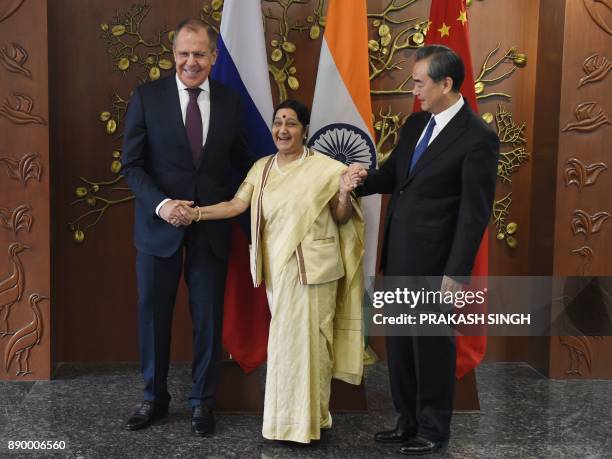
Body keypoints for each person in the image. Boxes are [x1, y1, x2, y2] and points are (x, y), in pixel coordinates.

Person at [347, 45, 499, 455]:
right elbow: (396, 175)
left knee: (430, 346)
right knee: (399, 345)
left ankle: (433, 429)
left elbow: (474, 213)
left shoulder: (478, 138)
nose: (413, 89)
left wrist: (457, 271)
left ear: (446, 83)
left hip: (437, 265)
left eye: (419, 82)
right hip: (399, 255)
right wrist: (360, 181)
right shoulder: (416, 123)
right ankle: (406, 422)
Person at [189, 99, 365, 444]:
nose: (282, 130)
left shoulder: (327, 169)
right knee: (285, 344)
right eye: (278, 122)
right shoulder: (262, 168)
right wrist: (195, 214)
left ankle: (312, 422)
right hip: (279, 272)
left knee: (313, 346)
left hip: (314, 271)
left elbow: (342, 217)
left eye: (291, 123)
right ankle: (284, 424)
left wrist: (344, 192)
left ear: (305, 130)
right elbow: (236, 205)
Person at [121, 19, 255, 435]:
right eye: (183, 53)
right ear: (173, 54)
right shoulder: (147, 97)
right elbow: (132, 164)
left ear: (214, 57)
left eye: (199, 54)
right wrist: (163, 205)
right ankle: (154, 398)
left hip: (210, 228)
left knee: (208, 317)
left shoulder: (233, 102)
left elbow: (242, 165)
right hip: (158, 227)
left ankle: (202, 401)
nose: (190, 62)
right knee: (154, 316)